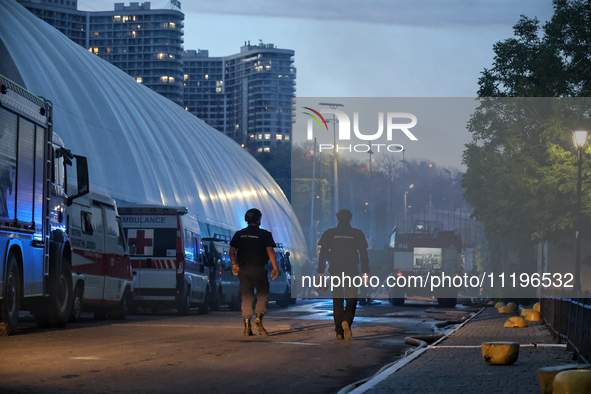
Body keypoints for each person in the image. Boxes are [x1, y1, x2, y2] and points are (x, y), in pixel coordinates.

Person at [317, 209, 369, 340]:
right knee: (351, 299)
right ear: (350, 219)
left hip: (335, 271)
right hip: (351, 271)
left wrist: (321, 272)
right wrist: (365, 272)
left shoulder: (329, 233)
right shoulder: (357, 234)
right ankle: (347, 320)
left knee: (337, 300)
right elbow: (363, 254)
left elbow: (322, 253)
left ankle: (339, 332)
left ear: (338, 219)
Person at [230, 208, 279, 336]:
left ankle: (247, 328)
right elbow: (270, 251)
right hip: (258, 269)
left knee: (246, 297)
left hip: (244, 270)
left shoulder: (239, 234)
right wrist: (275, 267)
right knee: (262, 295)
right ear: (258, 219)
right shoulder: (265, 234)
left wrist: (234, 264)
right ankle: (258, 320)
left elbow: (231, 251)